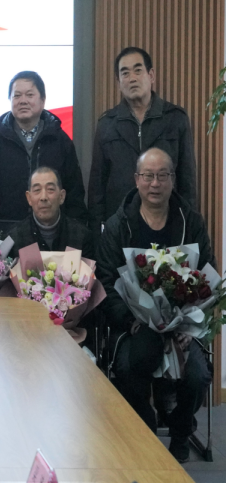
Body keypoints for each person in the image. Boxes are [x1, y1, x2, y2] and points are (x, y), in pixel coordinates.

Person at [96, 148, 213, 463]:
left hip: (182, 327)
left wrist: (190, 325)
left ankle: (180, 431)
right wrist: (131, 322)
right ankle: (145, 426)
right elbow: (106, 281)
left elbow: (207, 273)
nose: (155, 183)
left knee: (197, 375)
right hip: (134, 325)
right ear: (136, 179)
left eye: (163, 175)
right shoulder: (119, 225)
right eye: (148, 175)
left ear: (173, 179)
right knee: (125, 368)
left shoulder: (191, 222)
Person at [89, 47, 199, 237]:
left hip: (168, 223)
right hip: (120, 227)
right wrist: (97, 234)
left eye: (138, 70)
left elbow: (187, 180)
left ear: (151, 75)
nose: (132, 78)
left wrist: (188, 227)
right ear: (119, 82)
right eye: (125, 73)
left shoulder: (175, 119)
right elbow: (97, 186)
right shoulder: (107, 124)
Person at [0, 71, 87, 237]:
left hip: (52, 235)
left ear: (43, 100)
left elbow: (74, 194)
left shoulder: (61, 141)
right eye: (17, 95)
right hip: (4, 236)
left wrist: (73, 239)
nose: (23, 100)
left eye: (30, 95)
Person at [9, 166, 93, 256]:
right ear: (29, 198)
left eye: (50, 189)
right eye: (37, 190)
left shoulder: (82, 236)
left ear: (61, 196)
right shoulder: (14, 239)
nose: (43, 197)